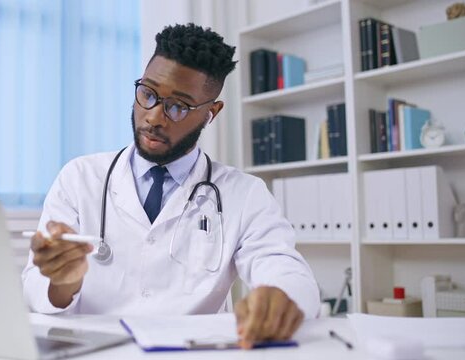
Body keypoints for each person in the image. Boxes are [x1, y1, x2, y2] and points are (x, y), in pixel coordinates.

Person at [22, 23, 319, 349]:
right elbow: (36, 290)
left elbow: (287, 271)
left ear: (212, 112)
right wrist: (62, 282)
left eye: (177, 106)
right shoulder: (80, 177)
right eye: (148, 94)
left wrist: (279, 298)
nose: (154, 117)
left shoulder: (244, 193)